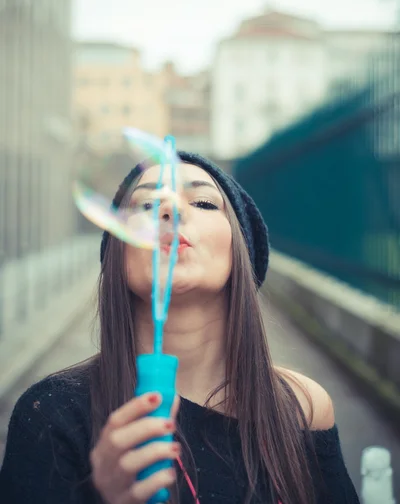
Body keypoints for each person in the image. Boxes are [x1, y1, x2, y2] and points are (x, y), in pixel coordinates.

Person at [0, 151, 360, 504]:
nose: (170, 210)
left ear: (241, 248)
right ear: (118, 258)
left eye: (203, 202)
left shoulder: (303, 407)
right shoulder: (51, 414)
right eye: (145, 207)